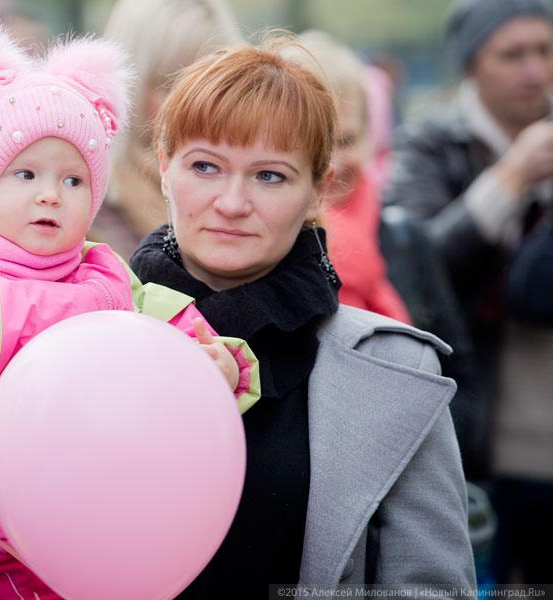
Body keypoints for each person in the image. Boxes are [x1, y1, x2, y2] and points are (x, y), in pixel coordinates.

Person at [0, 23, 259, 600]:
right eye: (26, 174)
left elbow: (161, 320)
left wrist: (208, 361)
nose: (51, 194)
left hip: (95, 529)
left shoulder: (104, 274)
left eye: (73, 179)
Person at [127, 38, 475, 592]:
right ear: (165, 169)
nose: (233, 202)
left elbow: (430, 582)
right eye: (206, 166)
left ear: (318, 191)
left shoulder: (394, 367)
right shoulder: (82, 338)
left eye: (270, 176)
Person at [382, 0, 553, 582]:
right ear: (471, 65)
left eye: (545, 50)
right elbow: (418, 262)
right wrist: (511, 179)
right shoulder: (432, 142)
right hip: (481, 430)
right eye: (513, 54)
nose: (534, 69)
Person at [97, 0, 242, 257]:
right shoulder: (85, 202)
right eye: (171, 86)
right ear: (130, 87)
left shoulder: (245, 193)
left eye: (211, 89)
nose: (195, 109)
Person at [292, 31, 410, 323]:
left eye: (345, 141)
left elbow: (455, 363)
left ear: (370, 137)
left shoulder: (404, 237)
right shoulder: (251, 255)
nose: (332, 163)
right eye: (315, 145)